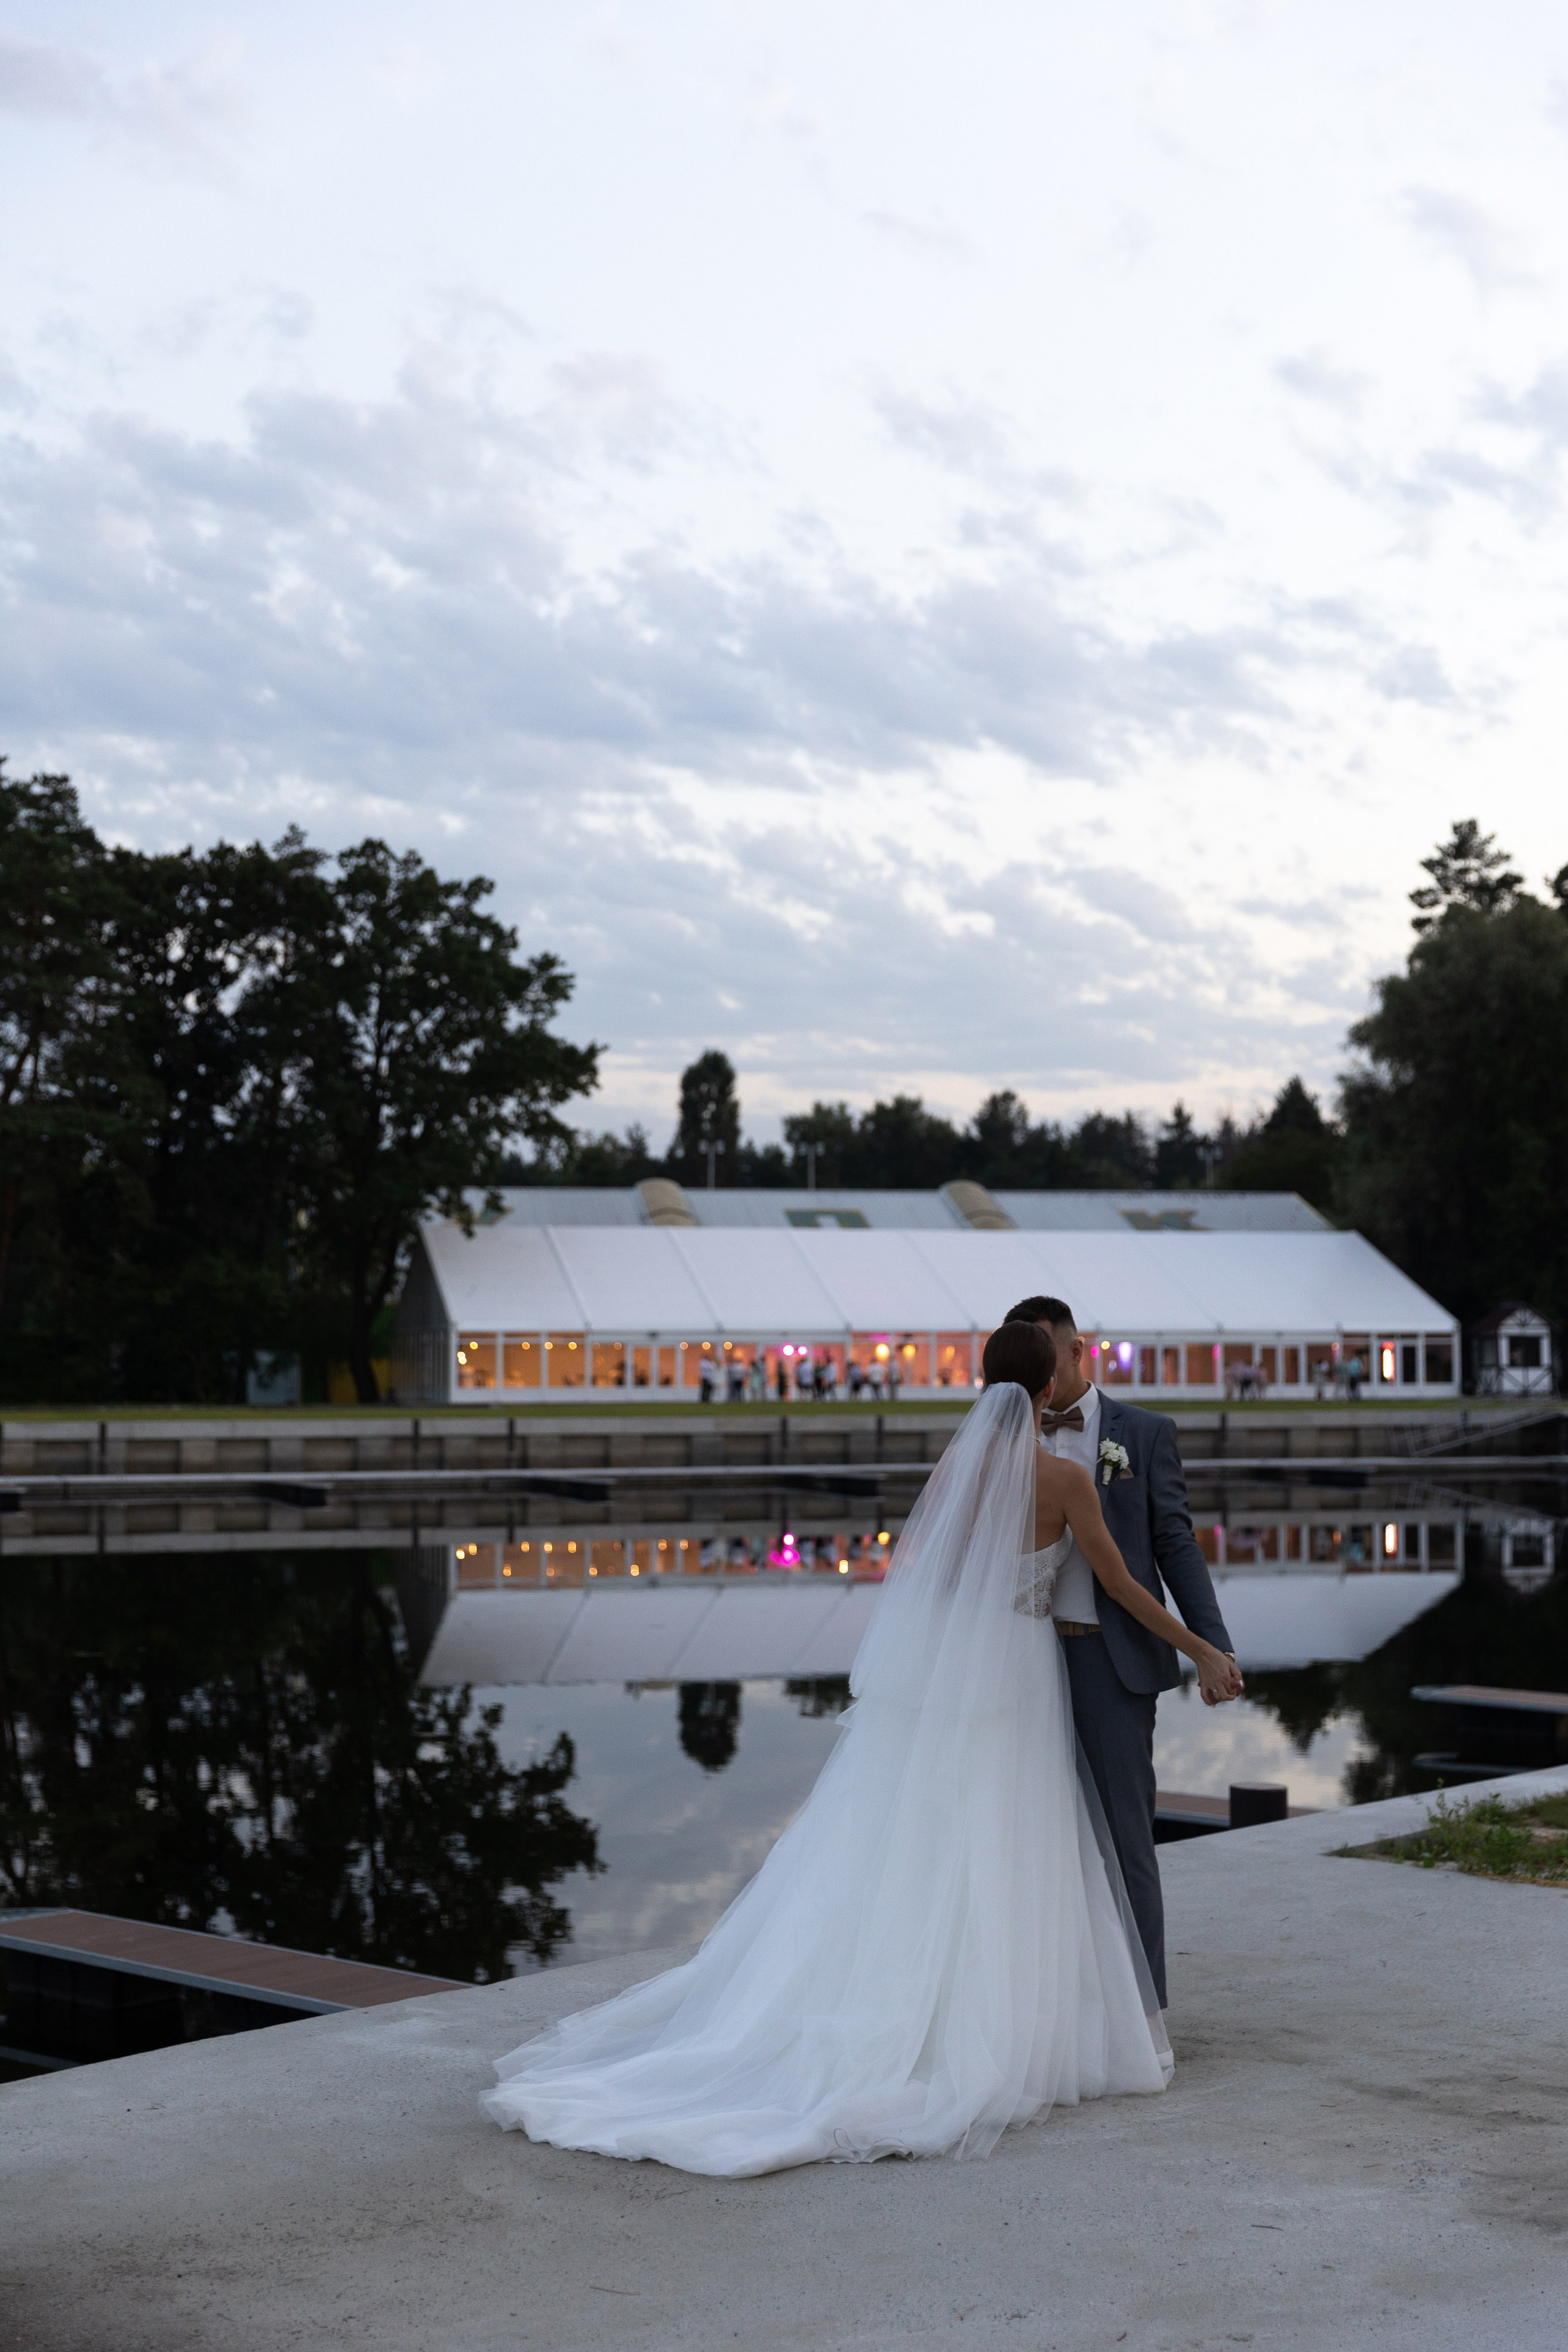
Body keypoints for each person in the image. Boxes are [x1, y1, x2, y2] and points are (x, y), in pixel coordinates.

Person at [482, 1321, 1238, 2178]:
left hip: (959, 1671)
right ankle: (1002, 2026)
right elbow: (1122, 1585)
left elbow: (934, 1580)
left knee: (928, 1843)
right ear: (1043, 1389)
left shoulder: (958, 1470)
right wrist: (1204, 1649)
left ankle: (917, 2007)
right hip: (1024, 1675)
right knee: (1009, 1844)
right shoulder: (1063, 1478)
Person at [1003, 1295, 1243, 2005]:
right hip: (1020, 1665)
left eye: (1050, 1356)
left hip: (1111, 1660)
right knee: (1027, 1833)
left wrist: (1211, 1649)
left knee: (1125, 1841)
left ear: (1081, 1352)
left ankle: (1142, 2011)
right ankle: (1050, 2010)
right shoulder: (998, 1444)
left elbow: (1174, 1544)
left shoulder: (1143, 1433)